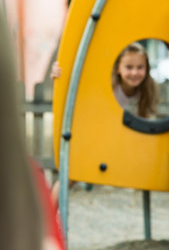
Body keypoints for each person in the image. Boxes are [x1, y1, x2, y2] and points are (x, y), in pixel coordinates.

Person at [50, 42, 159, 208]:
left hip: (114, 136)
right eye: (129, 67)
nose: (135, 72)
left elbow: (142, 119)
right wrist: (58, 75)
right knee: (71, 175)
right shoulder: (109, 85)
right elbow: (77, 87)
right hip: (90, 130)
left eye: (140, 67)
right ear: (118, 69)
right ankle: (49, 215)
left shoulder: (145, 91)